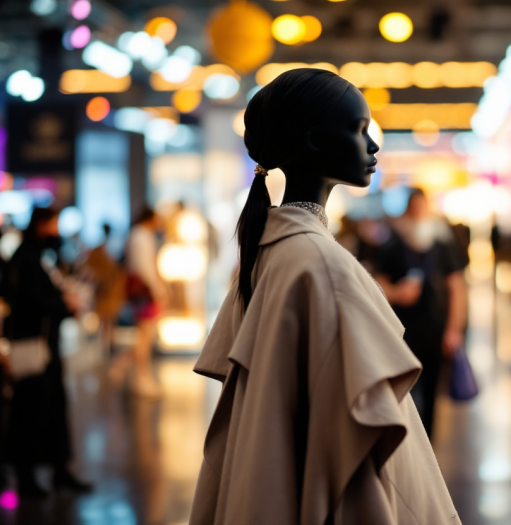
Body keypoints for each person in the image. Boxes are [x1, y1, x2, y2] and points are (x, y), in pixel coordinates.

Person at [190, 69, 459, 524]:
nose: (373, 146)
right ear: (314, 140)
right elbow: (350, 443)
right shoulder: (321, 264)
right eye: (359, 129)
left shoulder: (277, 253)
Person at [2, 207, 92, 498]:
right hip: (34, 348)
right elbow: (31, 301)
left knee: (50, 409)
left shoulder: (31, 256)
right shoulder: (28, 258)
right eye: (53, 224)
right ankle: (29, 478)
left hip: (42, 346)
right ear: (42, 225)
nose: (57, 231)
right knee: (31, 412)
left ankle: (58, 472)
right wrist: (64, 306)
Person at [374, 188, 468, 438]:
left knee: (432, 389)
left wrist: (454, 329)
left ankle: (429, 441)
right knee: (405, 390)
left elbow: (457, 287)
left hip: (436, 328)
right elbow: (378, 285)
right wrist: (396, 293)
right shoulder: (393, 244)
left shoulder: (442, 243)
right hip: (402, 330)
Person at [110, 208, 167, 398]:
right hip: (145, 292)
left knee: (144, 334)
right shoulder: (143, 236)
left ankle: (134, 373)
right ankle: (137, 375)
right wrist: (158, 290)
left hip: (138, 291)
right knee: (146, 335)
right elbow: (146, 267)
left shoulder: (135, 234)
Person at [84, 223, 126, 354]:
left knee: (110, 319)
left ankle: (110, 343)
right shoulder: (101, 249)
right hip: (104, 289)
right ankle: (106, 345)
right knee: (105, 319)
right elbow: (92, 268)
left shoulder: (111, 247)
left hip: (113, 289)